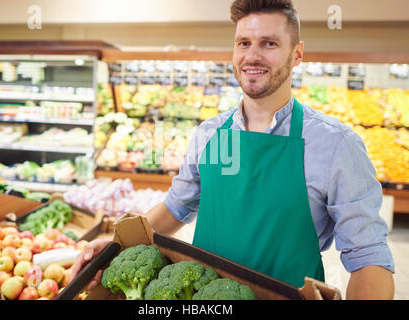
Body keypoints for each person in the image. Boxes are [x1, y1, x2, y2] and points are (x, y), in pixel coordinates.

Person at [71, 0, 395, 299]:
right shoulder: (210, 134)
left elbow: (369, 257)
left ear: (297, 54)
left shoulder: (336, 145)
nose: (252, 55)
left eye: (269, 43)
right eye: (244, 43)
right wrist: (115, 246)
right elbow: (175, 208)